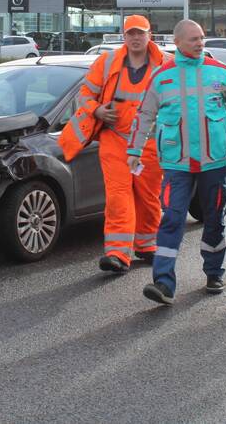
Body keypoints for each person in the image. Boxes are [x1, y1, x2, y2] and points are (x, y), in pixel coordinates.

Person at [128, 19, 226, 305]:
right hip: (176, 165)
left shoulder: (222, 73)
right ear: (177, 43)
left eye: (202, 38)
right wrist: (134, 150)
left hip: (214, 163)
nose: (200, 43)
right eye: (193, 39)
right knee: (172, 219)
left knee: (214, 219)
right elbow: (144, 116)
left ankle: (214, 273)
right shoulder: (162, 77)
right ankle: (163, 283)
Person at [62, 14, 170, 274]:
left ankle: (147, 245)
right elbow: (85, 94)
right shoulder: (107, 61)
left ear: (149, 35)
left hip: (150, 144)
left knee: (148, 196)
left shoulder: (166, 64)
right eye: (130, 33)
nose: (135, 38)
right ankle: (118, 254)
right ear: (124, 36)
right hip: (116, 140)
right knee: (118, 195)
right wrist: (97, 110)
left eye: (140, 33)